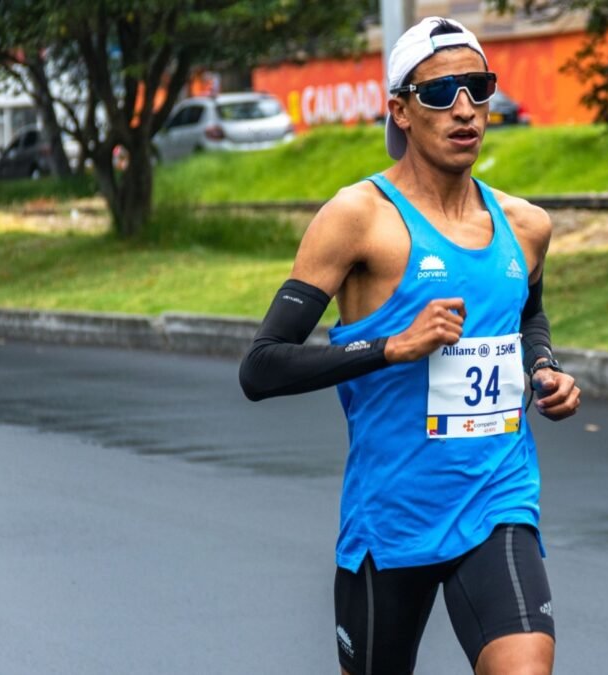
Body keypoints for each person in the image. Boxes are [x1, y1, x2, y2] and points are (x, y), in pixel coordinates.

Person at [239, 16, 581, 675]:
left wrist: (544, 367)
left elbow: (527, 313)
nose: (464, 109)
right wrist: (390, 347)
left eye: (478, 89)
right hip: (392, 520)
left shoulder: (525, 224)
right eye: (439, 92)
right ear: (399, 108)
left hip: (496, 498)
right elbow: (262, 366)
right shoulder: (358, 218)